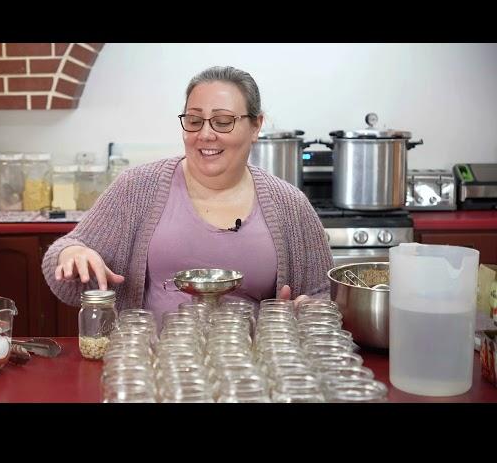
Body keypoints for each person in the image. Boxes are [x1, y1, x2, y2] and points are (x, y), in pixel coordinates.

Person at [42, 66, 334, 324]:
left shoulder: (290, 205)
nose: (205, 134)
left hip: (250, 376)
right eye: (194, 120)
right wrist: (72, 253)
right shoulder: (137, 188)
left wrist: (306, 312)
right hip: (156, 367)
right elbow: (67, 254)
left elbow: (324, 298)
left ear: (256, 125)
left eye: (222, 122)